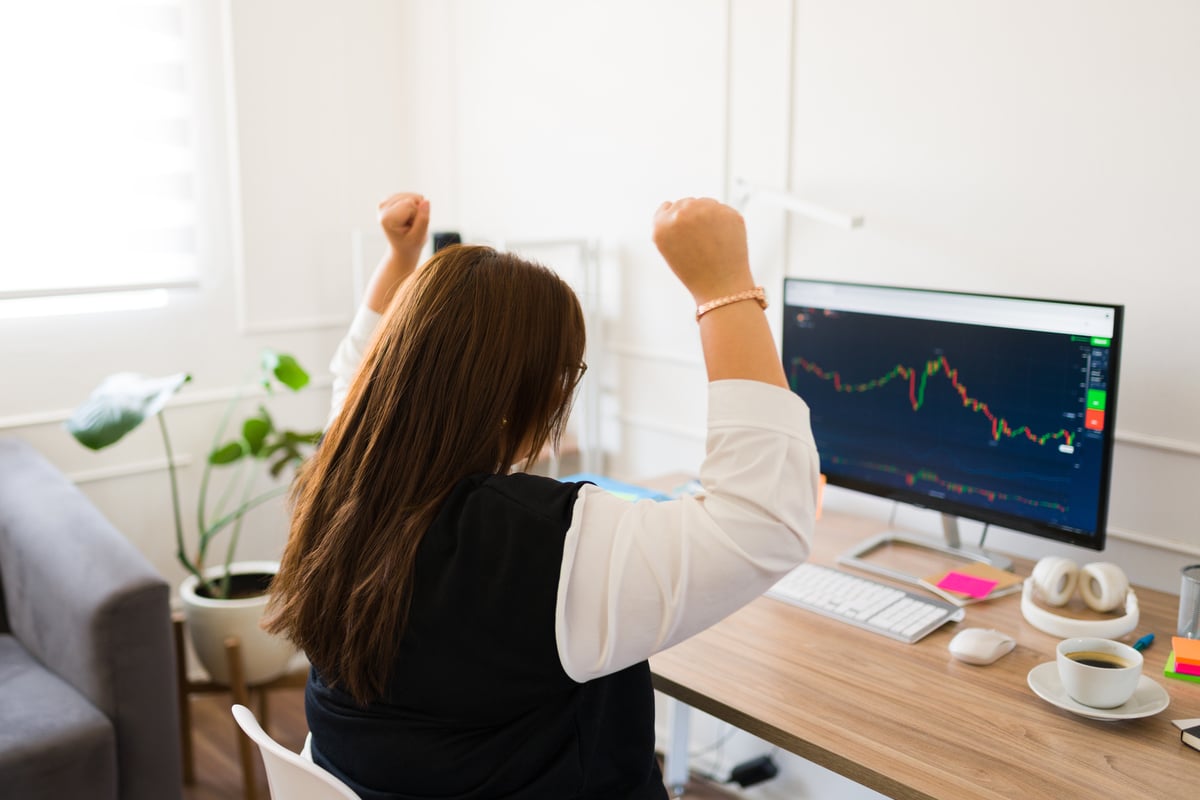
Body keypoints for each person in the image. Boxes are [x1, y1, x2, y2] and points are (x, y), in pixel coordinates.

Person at [263, 191, 821, 800]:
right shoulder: (533, 549)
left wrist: (399, 259)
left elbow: (353, 377)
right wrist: (724, 286)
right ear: (525, 395)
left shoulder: (339, 488)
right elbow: (763, 521)